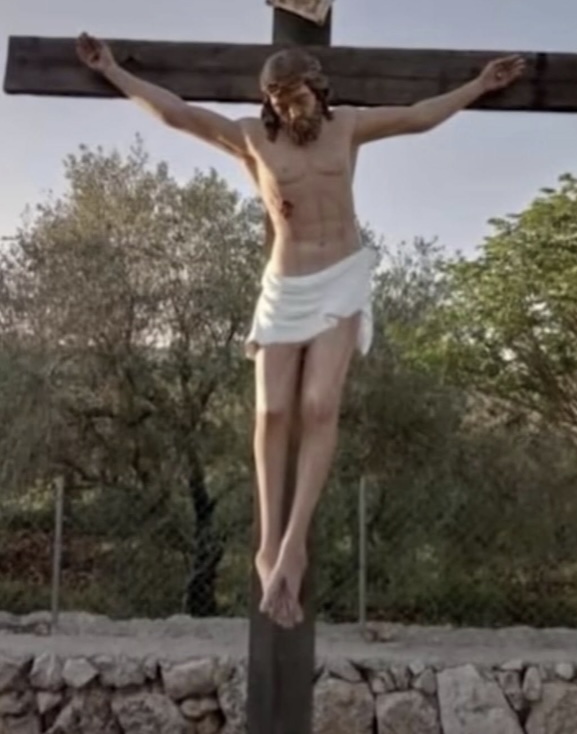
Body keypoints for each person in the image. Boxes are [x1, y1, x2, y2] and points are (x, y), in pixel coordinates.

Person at [75, 32, 526, 627]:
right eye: (280, 103)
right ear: (270, 103)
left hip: (341, 277)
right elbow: (178, 113)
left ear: (319, 89)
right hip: (285, 288)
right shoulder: (251, 140)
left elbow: (419, 117)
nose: (292, 111)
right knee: (270, 414)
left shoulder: (348, 128)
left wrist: (479, 85)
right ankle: (267, 545)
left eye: (299, 98)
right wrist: (111, 70)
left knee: (317, 405)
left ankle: (295, 544)